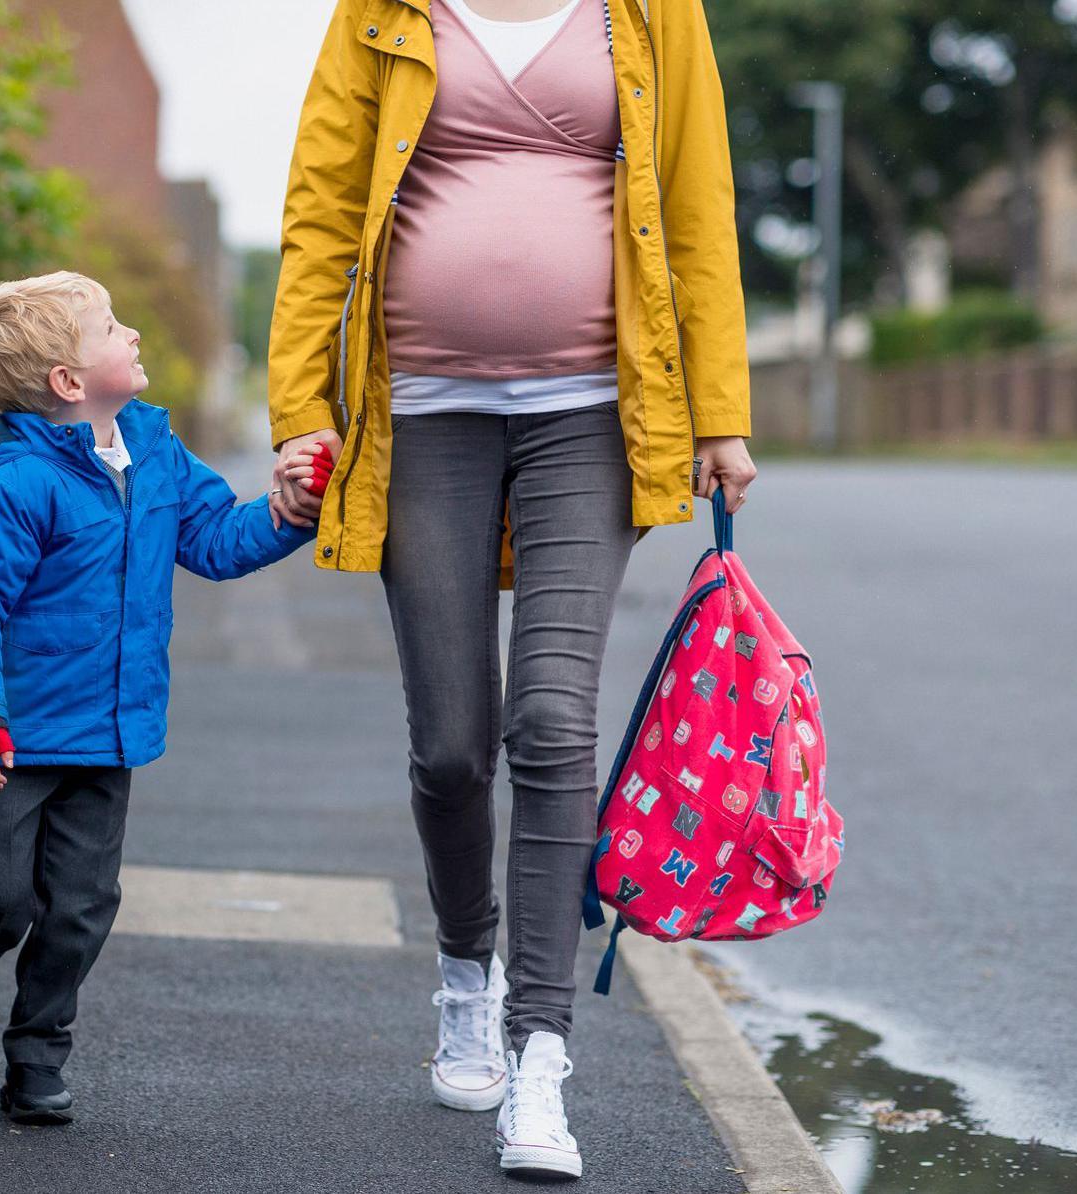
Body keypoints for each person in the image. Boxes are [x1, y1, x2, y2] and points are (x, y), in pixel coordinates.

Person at [265, 0, 759, 1179]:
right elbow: (321, 214)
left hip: (592, 415)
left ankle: (541, 1059)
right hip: (420, 419)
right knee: (450, 746)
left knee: (553, 722)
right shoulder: (381, 15)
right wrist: (302, 411)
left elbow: (697, 211)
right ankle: (463, 972)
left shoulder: (648, 13)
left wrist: (722, 414)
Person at [0, 271, 321, 1125]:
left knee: (82, 908)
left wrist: (290, 511)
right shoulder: (18, 486)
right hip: (11, 741)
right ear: (67, 382)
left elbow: (213, 541)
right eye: (111, 327)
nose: (132, 333)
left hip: (109, 733)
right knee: (0, 895)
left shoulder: (156, 452)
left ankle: (38, 1056)